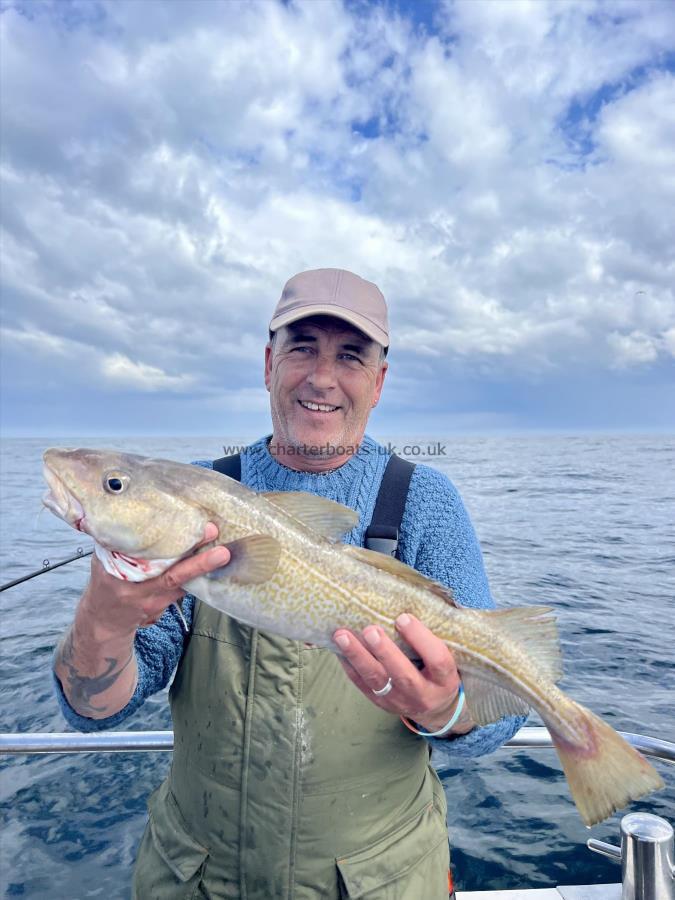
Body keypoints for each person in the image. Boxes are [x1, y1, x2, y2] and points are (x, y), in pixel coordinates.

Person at [53, 268, 526, 899]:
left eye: (351, 356)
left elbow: (496, 722)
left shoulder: (424, 501)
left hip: (377, 881)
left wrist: (445, 709)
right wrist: (101, 623)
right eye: (302, 347)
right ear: (269, 362)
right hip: (200, 878)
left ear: (379, 382)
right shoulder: (196, 491)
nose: (322, 377)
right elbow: (94, 714)